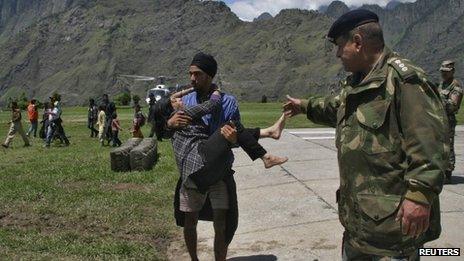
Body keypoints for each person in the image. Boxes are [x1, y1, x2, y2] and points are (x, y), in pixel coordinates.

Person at [283, 10, 449, 260]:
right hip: (359, 224)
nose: (338, 54)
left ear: (358, 42)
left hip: (392, 231)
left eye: (340, 46)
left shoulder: (405, 81)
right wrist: (304, 105)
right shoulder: (357, 84)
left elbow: (430, 144)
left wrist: (420, 196)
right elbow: (333, 107)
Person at [438, 60, 463, 183]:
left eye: (446, 72)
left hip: (448, 120)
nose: (444, 74)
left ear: (452, 71)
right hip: (439, 119)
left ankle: (448, 173)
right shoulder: (442, 84)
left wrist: (437, 100)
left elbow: (453, 106)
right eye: (442, 71)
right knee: (439, 146)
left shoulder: (455, 86)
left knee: (448, 146)